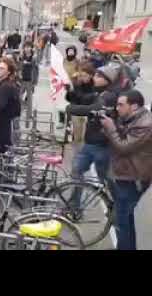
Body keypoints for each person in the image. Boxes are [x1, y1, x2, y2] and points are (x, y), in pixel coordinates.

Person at [101, 90, 152, 250]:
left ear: (135, 106)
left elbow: (123, 147)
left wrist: (110, 128)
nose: (117, 108)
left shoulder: (145, 124)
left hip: (134, 178)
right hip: (127, 174)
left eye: (121, 105)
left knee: (121, 219)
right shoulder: (131, 118)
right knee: (124, 217)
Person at [66, 65, 122, 198]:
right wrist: (74, 88)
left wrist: (71, 108)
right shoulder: (98, 92)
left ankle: (118, 205)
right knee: (77, 172)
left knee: (106, 179)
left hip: (101, 144)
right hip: (90, 142)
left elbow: (93, 108)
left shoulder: (109, 96)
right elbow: (83, 99)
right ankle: (74, 207)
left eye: (98, 76)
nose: (94, 78)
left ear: (107, 80)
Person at [0, 59, 21, 154]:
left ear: (8, 72)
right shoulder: (1, 83)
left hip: (3, 123)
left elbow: (0, 104)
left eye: (2, 68)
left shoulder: (6, 85)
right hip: (2, 121)